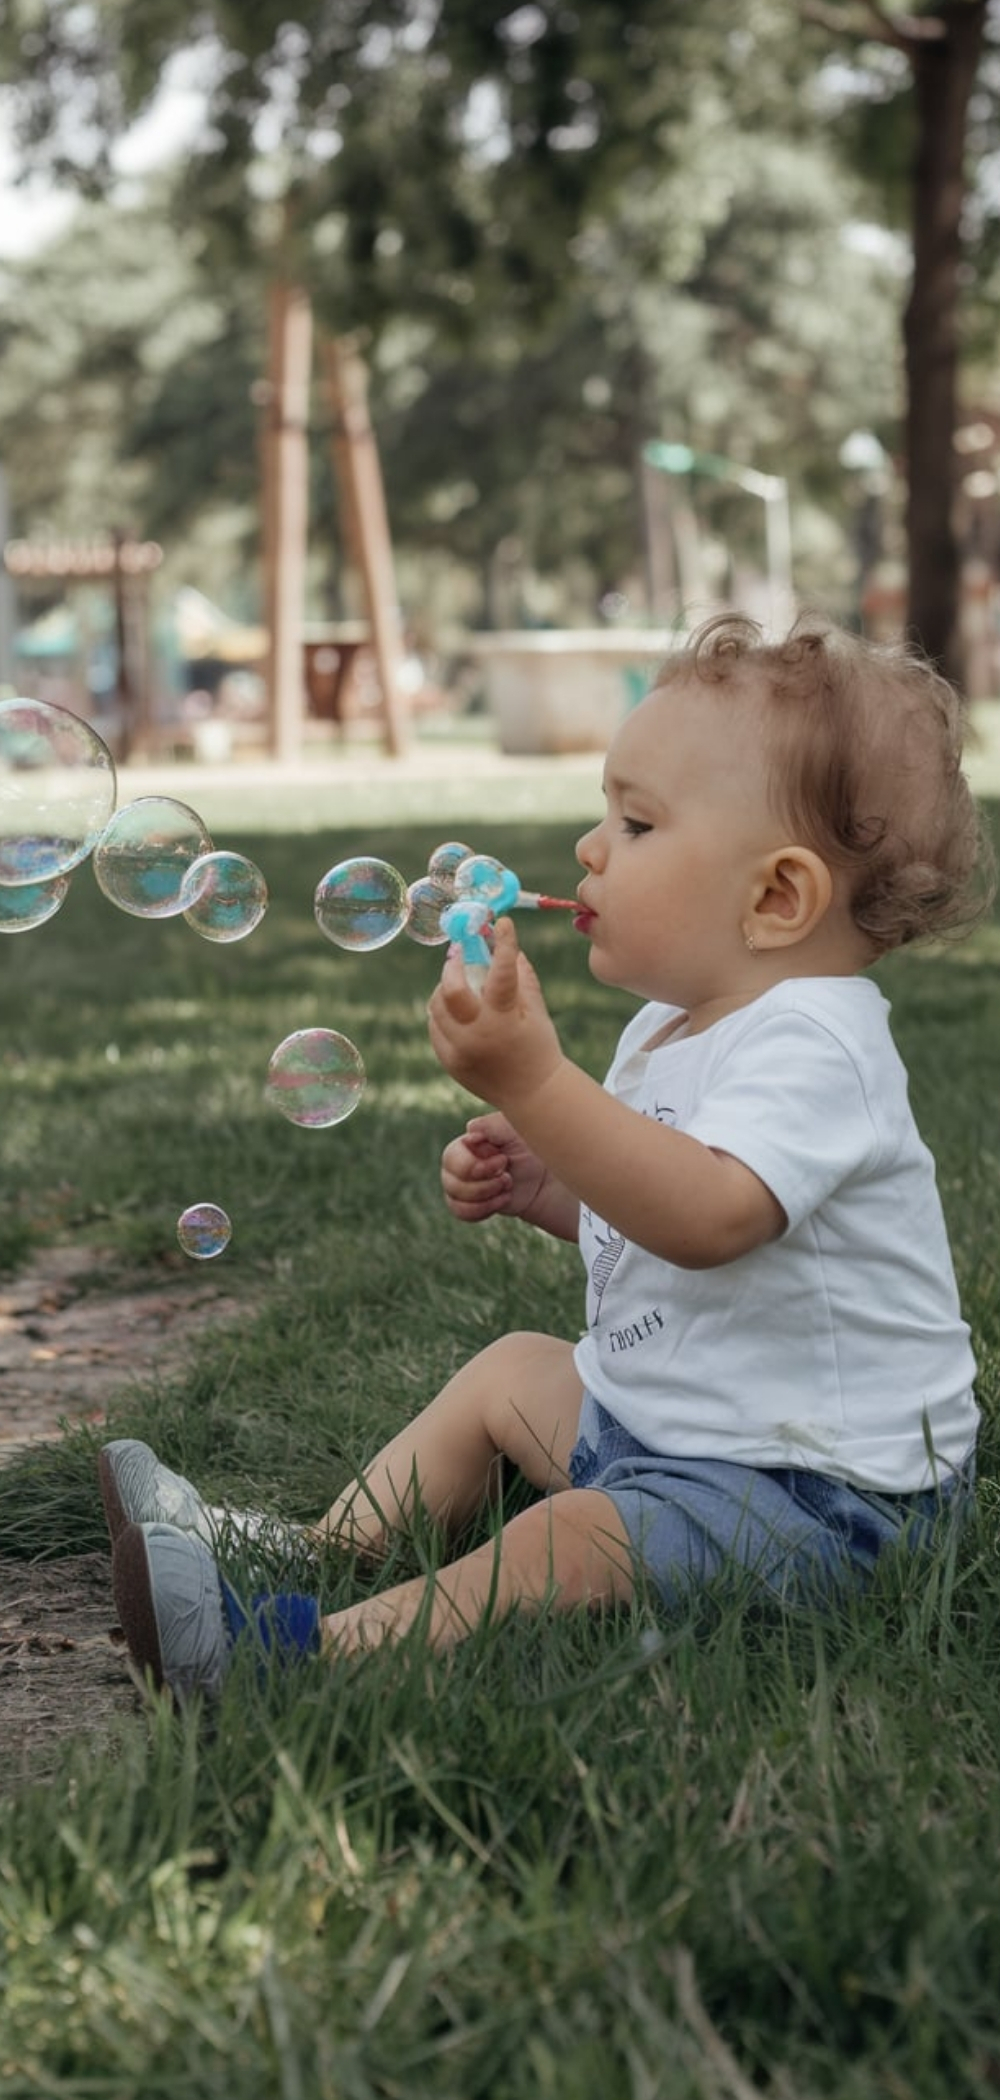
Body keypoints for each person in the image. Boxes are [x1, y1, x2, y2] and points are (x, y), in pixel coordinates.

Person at [102, 612, 995, 1700]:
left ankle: (283, 1657)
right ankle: (310, 1547)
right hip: (677, 1431)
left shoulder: (817, 1042)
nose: (589, 849)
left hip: (824, 1499)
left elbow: (710, 1219)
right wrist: (555, 1188)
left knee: (573, 1536)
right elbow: (655, 1213)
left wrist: (534, 1083)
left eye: (635, 822)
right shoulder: (670, 1025)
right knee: (512, 1370)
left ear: (775, 898)